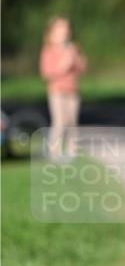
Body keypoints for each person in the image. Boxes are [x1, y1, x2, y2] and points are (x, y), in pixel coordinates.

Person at [39, 16, 87, 160]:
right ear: (52, 31)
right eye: (60, 28)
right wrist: (64, 63)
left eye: (66, 28)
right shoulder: (49, 50)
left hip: (72, 90)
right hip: (57, 91)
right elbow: (46, 73)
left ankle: (72, 151)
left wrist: (75, 56)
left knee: (72, 122)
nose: (64, 31)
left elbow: (82, 68)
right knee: (59, 121)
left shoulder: (73, 47)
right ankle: (54, 151)